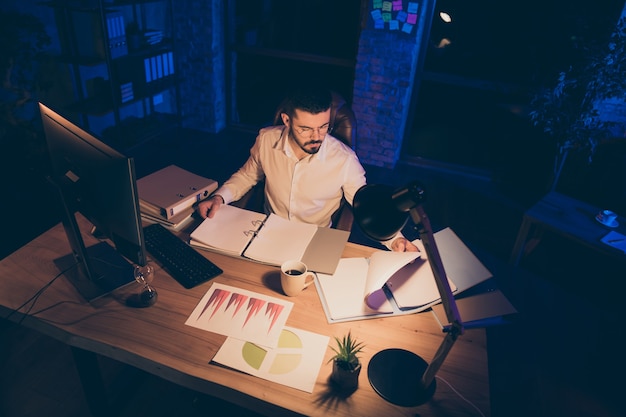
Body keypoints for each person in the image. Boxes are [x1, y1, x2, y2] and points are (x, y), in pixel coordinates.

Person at [197, 86, 418, 252]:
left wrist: (395, 240)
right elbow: (247, 175)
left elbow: (366, 206)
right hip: (267, 231)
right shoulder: (266, 139)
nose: (316, 137)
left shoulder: (345, 160)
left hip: (314, 241)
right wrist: (219, 198)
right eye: (306, 129)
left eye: (323, 127)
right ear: (286, 120)